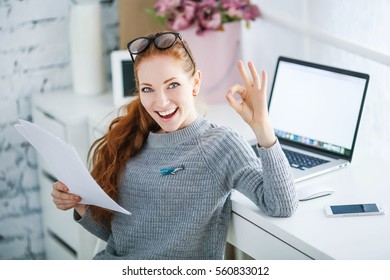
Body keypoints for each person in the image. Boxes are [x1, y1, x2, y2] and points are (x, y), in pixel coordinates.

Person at [51, 31, 298, 260]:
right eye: (148, 89)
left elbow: (281, 205)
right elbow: (124, 239)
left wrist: (263, 127)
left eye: (173, 85)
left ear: (195, 82)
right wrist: (80, 205)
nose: (161, 101)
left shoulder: (220, 144)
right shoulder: (132, 140)